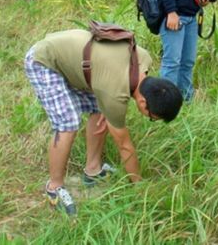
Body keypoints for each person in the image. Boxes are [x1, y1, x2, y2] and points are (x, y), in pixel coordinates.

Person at [24, 29, 183, 216]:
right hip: (45, 59)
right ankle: (54, 187)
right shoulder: (115, 93)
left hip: (79, 58)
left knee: (100, 110)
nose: (148, 119)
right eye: (151, 117)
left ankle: (93, 170)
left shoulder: (144, 59)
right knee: (68, 124)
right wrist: (140, 187)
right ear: (142, 103)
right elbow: (125, 145)